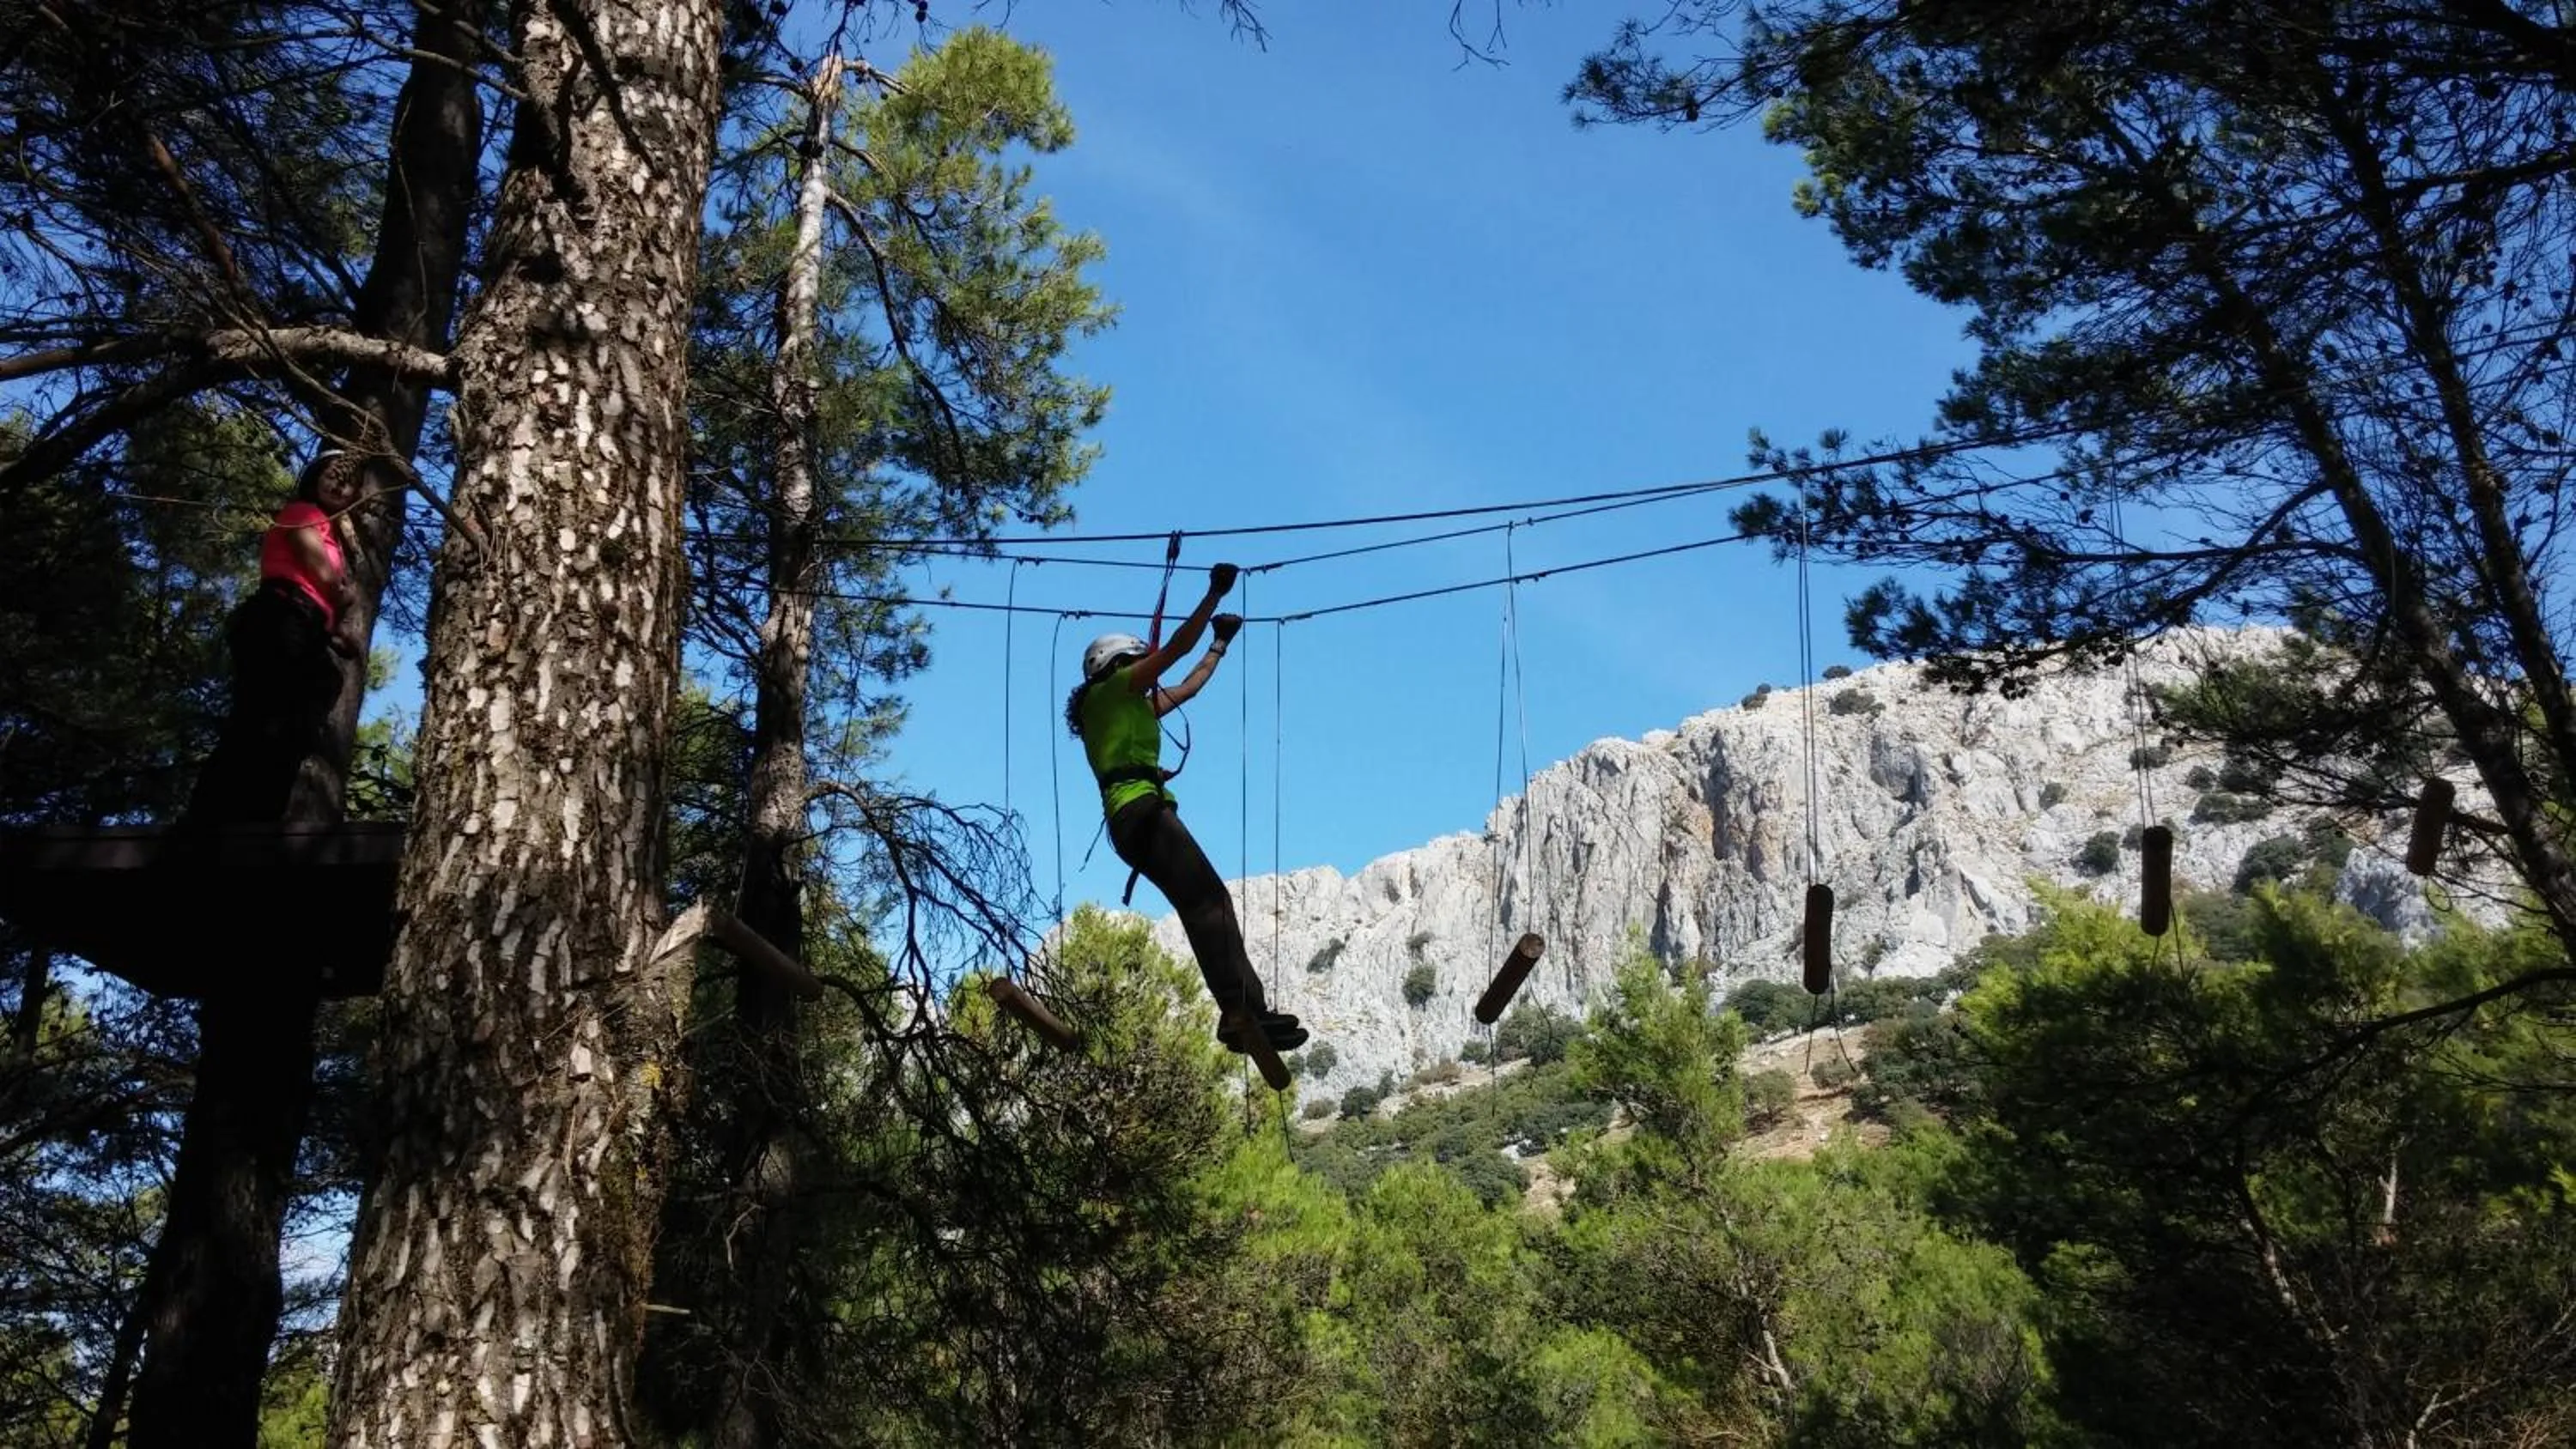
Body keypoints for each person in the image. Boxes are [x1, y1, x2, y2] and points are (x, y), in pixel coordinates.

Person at [1066, 562, 1308, 1055]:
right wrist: (1213, 595)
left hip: (1135, 819)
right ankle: (1240, 1009)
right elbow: (1174, 651)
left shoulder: (1128, 705)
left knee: (1204, 905)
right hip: (1143, 812)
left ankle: (1242, 1010)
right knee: (1212, 902)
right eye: (1137, 662)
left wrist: (1220, 644)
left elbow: (1191, 684)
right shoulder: (1111, 691)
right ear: (1121, 664)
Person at [184, 449, 366, 825]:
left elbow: (322, 595)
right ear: (313, 477)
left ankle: (257, 816)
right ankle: (212, 820)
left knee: (291, 726)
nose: (339, 485)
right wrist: (342, 594)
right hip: (280, 615)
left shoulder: (333, 534)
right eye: (332, 475)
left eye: (348, 482)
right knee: (263, 716)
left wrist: (335, 632)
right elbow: (321, 576)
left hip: (307, 626)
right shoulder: (302, 514)